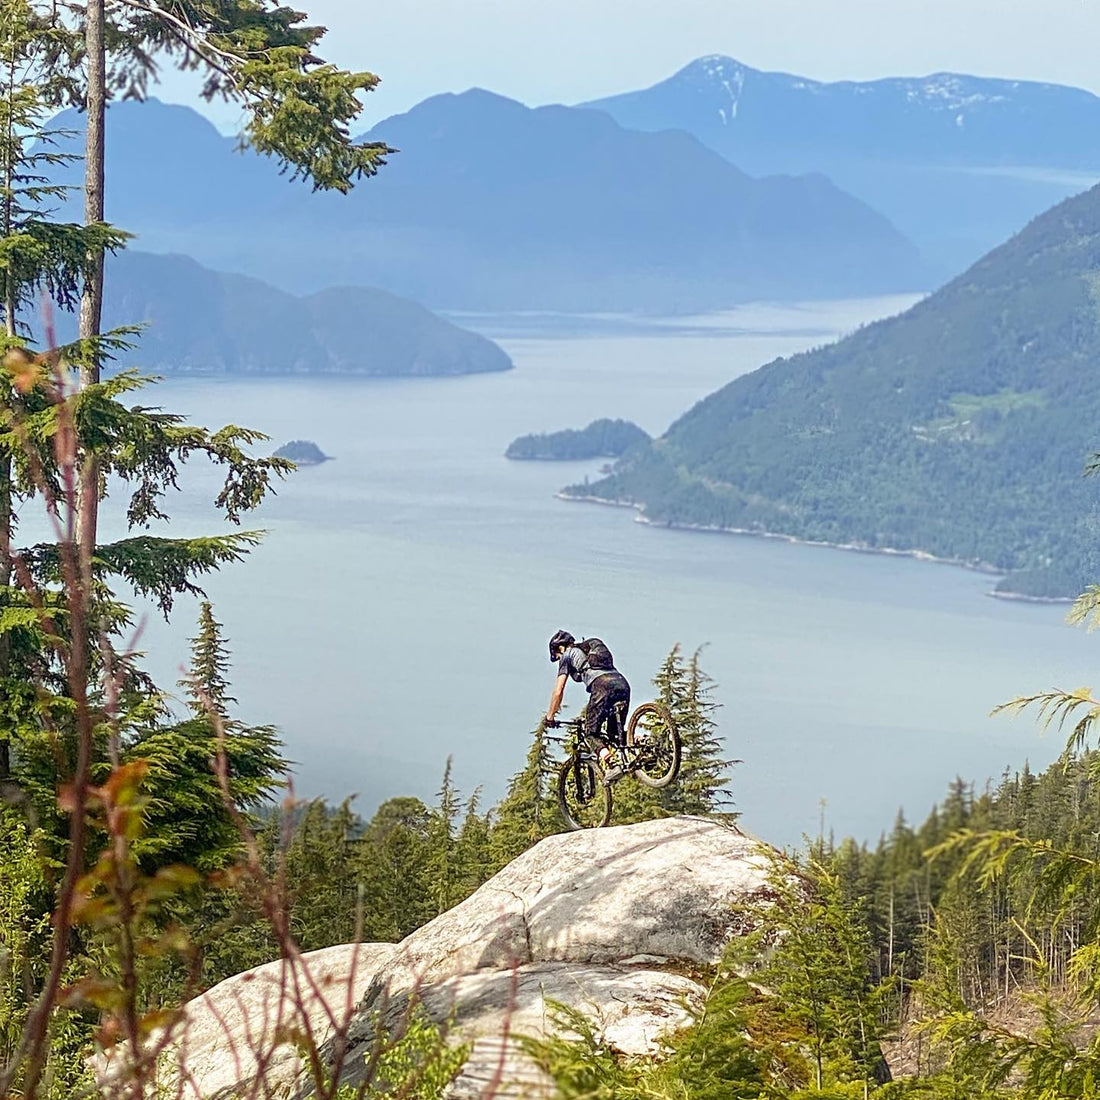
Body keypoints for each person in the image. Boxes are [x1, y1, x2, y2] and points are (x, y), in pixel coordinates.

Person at [545, 629, 631, 783]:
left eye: (557, 657)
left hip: (602, 686)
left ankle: (612, 765)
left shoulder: (567, 656)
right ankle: (643, 743)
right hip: (622, 684)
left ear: (560, 648)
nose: (559, 661)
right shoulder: (590, 645)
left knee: (590, 734)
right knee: (615, 735)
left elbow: (558, 691)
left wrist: (550, 716)